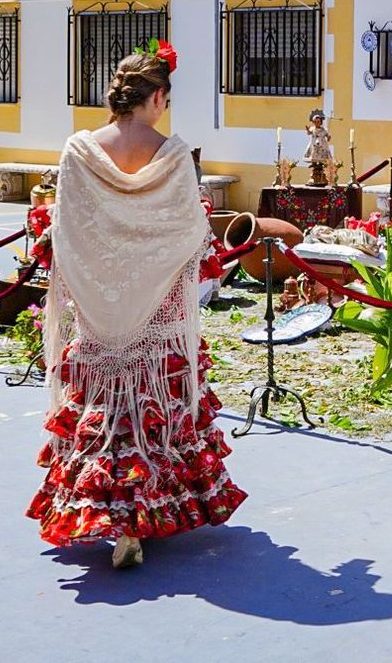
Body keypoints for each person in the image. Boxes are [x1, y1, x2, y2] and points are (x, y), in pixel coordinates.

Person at [27, 42, 246, 569]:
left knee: (101, 407)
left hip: (100, 304)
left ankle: (106, 514)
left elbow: (69, 229)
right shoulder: (172, 154)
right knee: (156, 405)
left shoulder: (79, 150)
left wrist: (103, 278)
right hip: (155, 310)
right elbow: (189, 231)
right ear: (159, 97)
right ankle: (146, 512)